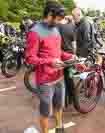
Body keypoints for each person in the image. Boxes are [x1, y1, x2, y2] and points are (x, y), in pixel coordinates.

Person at [25, 1, 75, 133]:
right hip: (45, 81)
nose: (59, 22)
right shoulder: (35, 32)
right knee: (46, 111)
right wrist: (50, 62)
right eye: (57, 19)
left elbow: (58, 52)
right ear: (50, 14)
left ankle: (59, 128)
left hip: (59, 77)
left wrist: (69, 56)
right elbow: (30, 58)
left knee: (59, 106)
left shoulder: (55, 29)